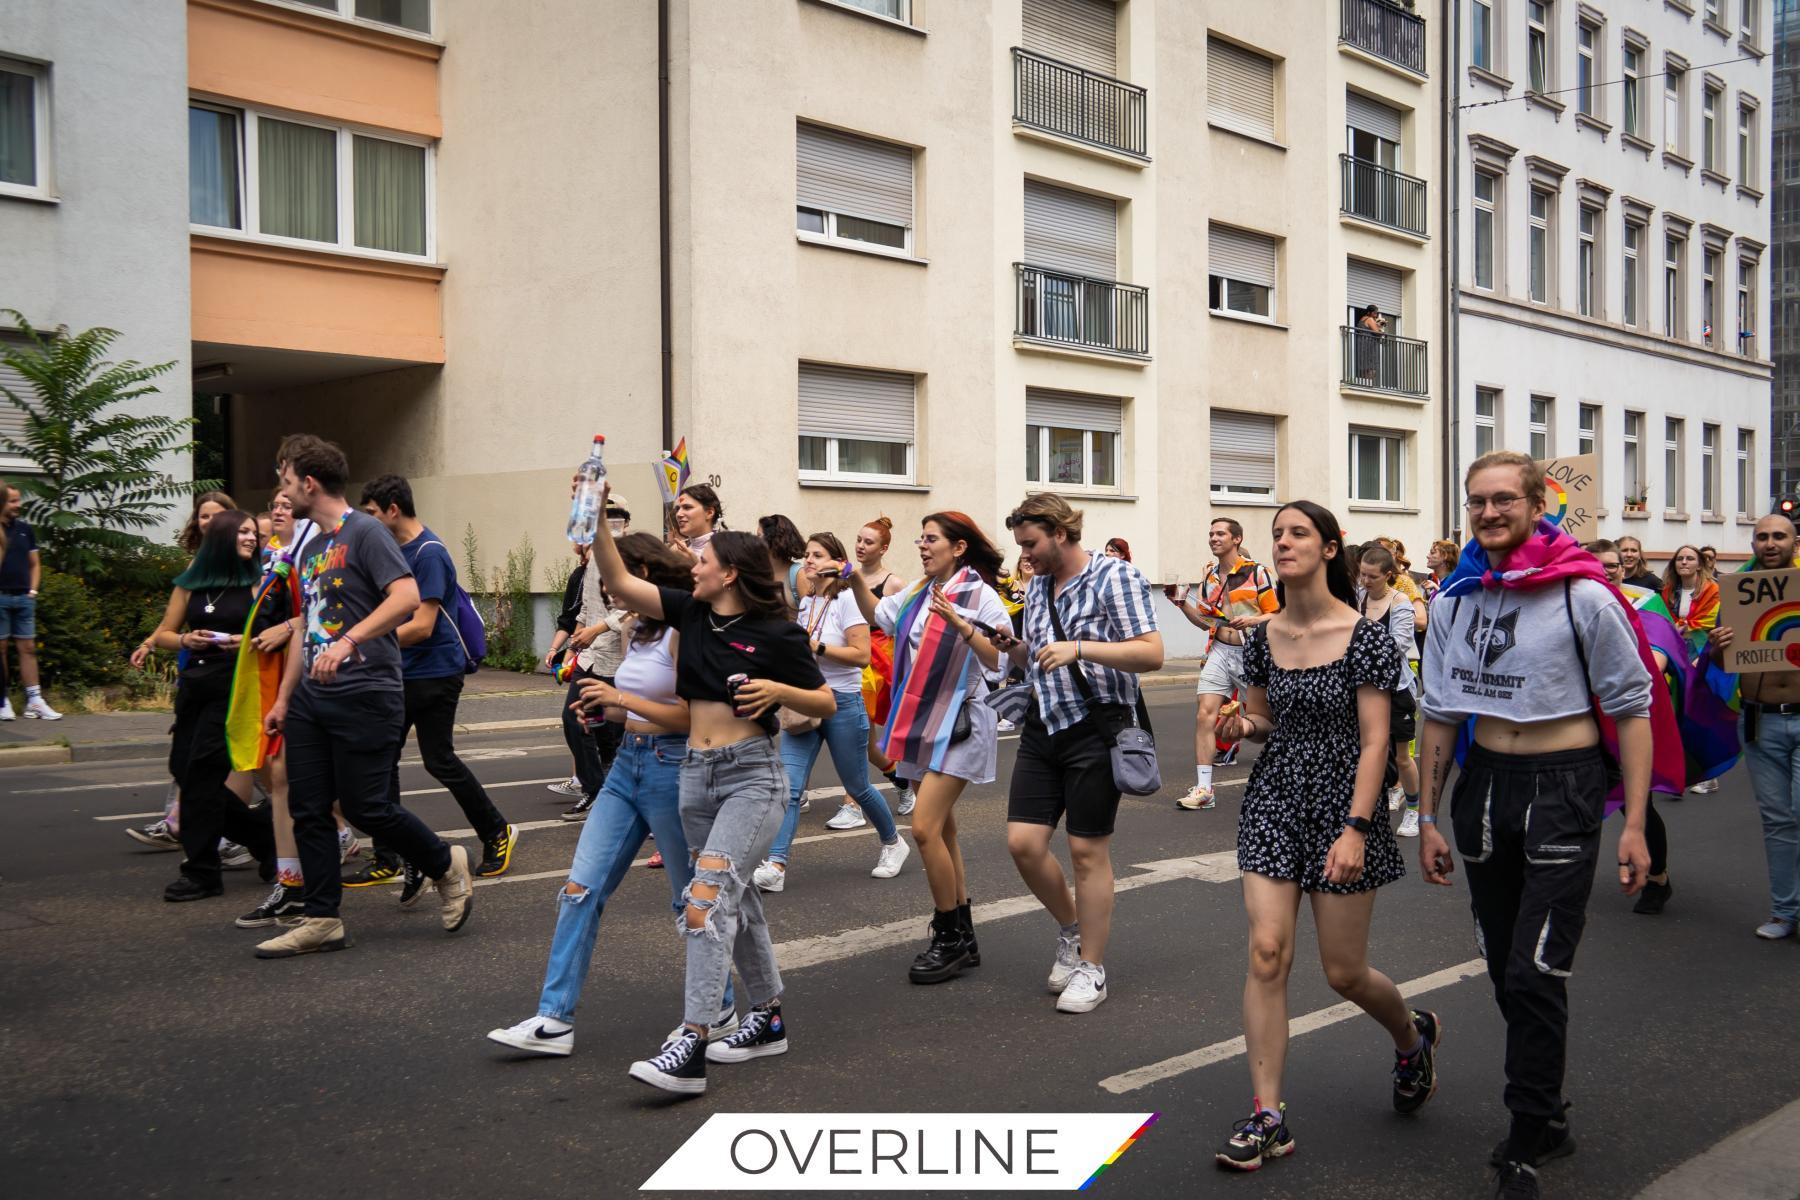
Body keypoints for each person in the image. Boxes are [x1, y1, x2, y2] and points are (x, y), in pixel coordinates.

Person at [1419, 451, 1655, 1199]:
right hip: (1484, 790)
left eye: (1503, 501)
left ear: (1535, 504)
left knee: (1535, 966)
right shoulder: (1456, 600)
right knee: (1502, 964)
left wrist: (1636, 826)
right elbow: (1439, 715)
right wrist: (1425, 814)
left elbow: (1633, 711)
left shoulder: (1584, 595)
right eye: (1476, 503)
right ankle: (1546, 1110)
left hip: (1565, 789)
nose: (1489, 514)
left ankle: (1528, 1134)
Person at [1210, 499, 1436, 1172]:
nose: (1283, 542)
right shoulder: (1262, 637)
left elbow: (1375, 743)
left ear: (1330, 548)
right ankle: (1268, 1115)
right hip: (1274, 799)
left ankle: (1412, 1037)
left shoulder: (1363, 635)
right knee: (1268, 952)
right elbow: (1262, 721)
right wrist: (1240, 727)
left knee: (1342, 972)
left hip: (1345, 804)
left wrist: (1358, 828)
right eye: (1277, 533)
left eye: (1298, 532)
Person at [586, 492, 832, 1095]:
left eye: (703, 559)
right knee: (736, 903)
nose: (691, 564)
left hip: (752, 775)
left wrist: (779, 688)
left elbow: (824, 701)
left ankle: (693, 1039)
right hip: (696, 778)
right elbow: (616, 575)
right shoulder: (691, 613)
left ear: (729, 573)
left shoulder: (777, 632)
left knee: (703, 903)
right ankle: (768, 1018)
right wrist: (593, 518)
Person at [486, 533, 741, 1056]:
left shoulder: (683, 632)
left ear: (647, 573)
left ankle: (719, 1007)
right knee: (580, 889)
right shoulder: (637, 629)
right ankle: (554, 1020)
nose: (607, 584)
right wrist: (608, 713)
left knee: (688, 900)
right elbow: (637, 708)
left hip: (673, 769)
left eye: (620, 573)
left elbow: (696, 716)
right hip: (627, 767)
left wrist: (620, 698)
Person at [251, 435, 475, 959]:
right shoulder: (308, 547)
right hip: (311, 696)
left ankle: (445, 862)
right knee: (309, 807)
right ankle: (322, 918)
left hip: (367, 691)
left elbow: (406, 597)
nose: (282, 493)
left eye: (286, 481)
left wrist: (350, 639)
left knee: (367, 806)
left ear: (309, 483)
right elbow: (308, 627)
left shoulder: (367, 531)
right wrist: (285, 698)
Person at [995, 495, 1162, 1014]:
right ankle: (1072, 931)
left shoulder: (1115, 577)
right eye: (1021, 545)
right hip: (1045, 725)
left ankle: (1092, 966)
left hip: (1096, 727)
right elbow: (1041, 656)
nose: (1024, 556)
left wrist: (1082, 647)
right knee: (1023, 843)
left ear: (1061, 534)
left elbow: (1152, 652)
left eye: (1031, 544)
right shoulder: (1039, 585)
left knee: (1088, 853)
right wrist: (1011, 646)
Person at [844, 511, 1010, 985]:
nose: (922, 545)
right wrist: (856, 580)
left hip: (960, 724)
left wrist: (962, 625)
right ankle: (963, 933)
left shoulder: (980, 595)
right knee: (945, 832)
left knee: (923, 828)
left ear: (958, 548)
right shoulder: (917, 591)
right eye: (920, 538)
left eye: (931, 539)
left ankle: (948, 935)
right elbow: (880, 616)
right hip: (923, 722)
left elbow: (1000, 660)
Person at [358, 474, 519, 884]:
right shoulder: (397, 549)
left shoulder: (428, 552)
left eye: (373, 513)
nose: (369, 521)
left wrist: (359, 642)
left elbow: (422, 626)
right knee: (408, 758)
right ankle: (395, 852)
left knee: (414, 758)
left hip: (433, 673)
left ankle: (398, 852)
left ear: (393, 509)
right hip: (407, 671)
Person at [753, 532, 910, 892]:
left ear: (834, 563)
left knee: (857, 784)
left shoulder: (848, 603)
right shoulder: (806, 603)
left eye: (816, 555)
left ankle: (892, 842)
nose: (807, 561)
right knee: (790, 789)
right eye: (806, 554)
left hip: (843, 702)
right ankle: (776, 866)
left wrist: (816, 647)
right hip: (805, 703)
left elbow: (862, 655)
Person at [147, 510, 279, 900]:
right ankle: (263, 836)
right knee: (184, 770)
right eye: (243, 532)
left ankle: (202, 871)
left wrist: (245, 643)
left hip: (233, 689)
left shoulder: (259, 583)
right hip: (194, 688)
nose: (252, 538)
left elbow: (274, 635)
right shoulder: (190, 584)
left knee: (204, 772)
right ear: (223, 537)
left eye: (254, 533)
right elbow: (165, 634)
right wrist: (187, 641)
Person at [1708, 513, 1800, 941]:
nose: (1769, 543)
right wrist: (1714, 648)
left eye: (1778, 536)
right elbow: (1724, 664)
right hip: (1760, 720)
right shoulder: (1737, 597)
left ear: (1793, 543)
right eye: (1761, 536)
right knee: (1778, 820)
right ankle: (1785, 911)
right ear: (1753, 546)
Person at [1588, 539, 1683, 917]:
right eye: (1596, 565)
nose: (1605, 571)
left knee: (1636, 801)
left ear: (1623, 569)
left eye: (1612, 565)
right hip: (1583, 720)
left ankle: (1657, 877)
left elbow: (1654, 663)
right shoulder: (1571, 601)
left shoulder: (1646, 603)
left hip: (1632, 716)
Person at [1165, 518, 1279, 811]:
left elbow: (1276, 614)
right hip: (1218, 650)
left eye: (1220, 534)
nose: (1213, 538)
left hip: (1251, 653)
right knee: (1205, 714)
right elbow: (1207, 622)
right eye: (1211, 534)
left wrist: (1253, 619)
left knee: (1271, 720)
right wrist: (1182, 605)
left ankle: (1287, 780)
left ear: (1236, 539)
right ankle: (1204, 789)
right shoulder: (1211, 577)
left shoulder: (1257, 572)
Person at [1356, 545, 1422, 836]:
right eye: (1362, 575)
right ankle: (1370, 808)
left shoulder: (1401, 602)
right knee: (1370, 751)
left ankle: (1414, 810)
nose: (1365, 581)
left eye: (1372, 576)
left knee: (1402, 756)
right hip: (1365, 687)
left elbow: (1398, 644)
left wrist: (1359, 645)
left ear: (1388, 575)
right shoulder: (1359, 598)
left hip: (1396, 688)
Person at [853, 516, 914, 815]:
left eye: (869, 542)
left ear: (884, 548)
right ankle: (902, 782)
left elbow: (900, 631)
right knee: (864, 744)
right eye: (859, 540)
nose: (861, 546)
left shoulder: (894, 583)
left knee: (857, 736)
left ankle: (851, 804)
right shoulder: (848, 578)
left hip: (879, 665)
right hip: (852, 661)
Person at [0, 485, 61, 720]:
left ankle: (34, 700)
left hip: (24, 597)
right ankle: (3, 700)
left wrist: (33, 590)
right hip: (1, 596)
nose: (18, 505)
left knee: (28, 648)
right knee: (1, 649)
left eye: (18, 500)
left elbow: (35, 563)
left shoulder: (25, 530)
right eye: (12, 501)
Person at [546, 540, 594, 809]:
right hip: (585, 654)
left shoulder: (615, 571)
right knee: (576, 716)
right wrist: (559, 650)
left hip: (607, 659)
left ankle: (590, 782)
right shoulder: (580, 575)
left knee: (588, 721)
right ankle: (582, 779)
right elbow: (574, 617)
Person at [758, 514, 807, 609]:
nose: (754, 541)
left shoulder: (798, 574)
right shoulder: (759, 571)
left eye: (759, 536)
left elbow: (810, 615)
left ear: (773, 539)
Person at [669, 483, 723, 558]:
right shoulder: (677, 550)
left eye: (687, 507)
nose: (678, 514)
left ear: (709, 513)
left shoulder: (725, 551)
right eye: (678, 509)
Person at [178, 490, 237, 555]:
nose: (211, 521)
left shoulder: (241, 555)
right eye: (205, 516)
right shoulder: (201, 556)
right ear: (197, 521)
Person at [1353, 303, 1386, 386]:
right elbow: (1377, 332)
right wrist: (1381, 329)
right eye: (1375, 313)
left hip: (1362, 345)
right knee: (1371, 369)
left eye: (1376, 313)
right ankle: (1367, 386)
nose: (1376, 315)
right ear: (1370, 312)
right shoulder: (1370, 319)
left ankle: (1364, 385)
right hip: (1369, 346)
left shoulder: (1362, 320)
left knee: (1364, 368)